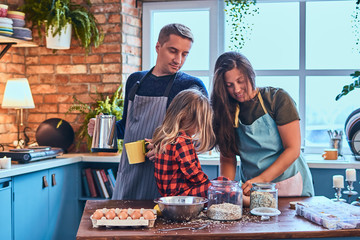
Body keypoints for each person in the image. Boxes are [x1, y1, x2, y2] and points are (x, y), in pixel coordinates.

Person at [88, 23, 207, 200]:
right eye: (173, 51)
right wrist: (101, 130)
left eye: (184, 54)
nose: (178, 60)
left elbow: (204, 137)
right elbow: (127, 127)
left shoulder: (191, 86)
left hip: (167, 180)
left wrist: (167, 146)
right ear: (158, 47)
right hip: (130, 173)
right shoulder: (135, 81)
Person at [211, 51, 314, 197]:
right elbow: (228, 157)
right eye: (229, 85)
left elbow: (293, 149)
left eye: (240, 81)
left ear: (250, 75)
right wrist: (226, 188)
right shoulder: (226, 112)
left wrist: (261, 180)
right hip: (252, 188)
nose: (237, 90)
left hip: (289, 185)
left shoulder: (277, 99)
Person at [152, 89, 224, 198]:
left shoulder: (167, 138)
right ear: (185, 118)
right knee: (223, 184)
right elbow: (193, 174)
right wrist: (211, 186)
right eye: (199, 123)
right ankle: (246, 200)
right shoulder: (182, 141)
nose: (200, 128)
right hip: (181, 196)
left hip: (169, 195)